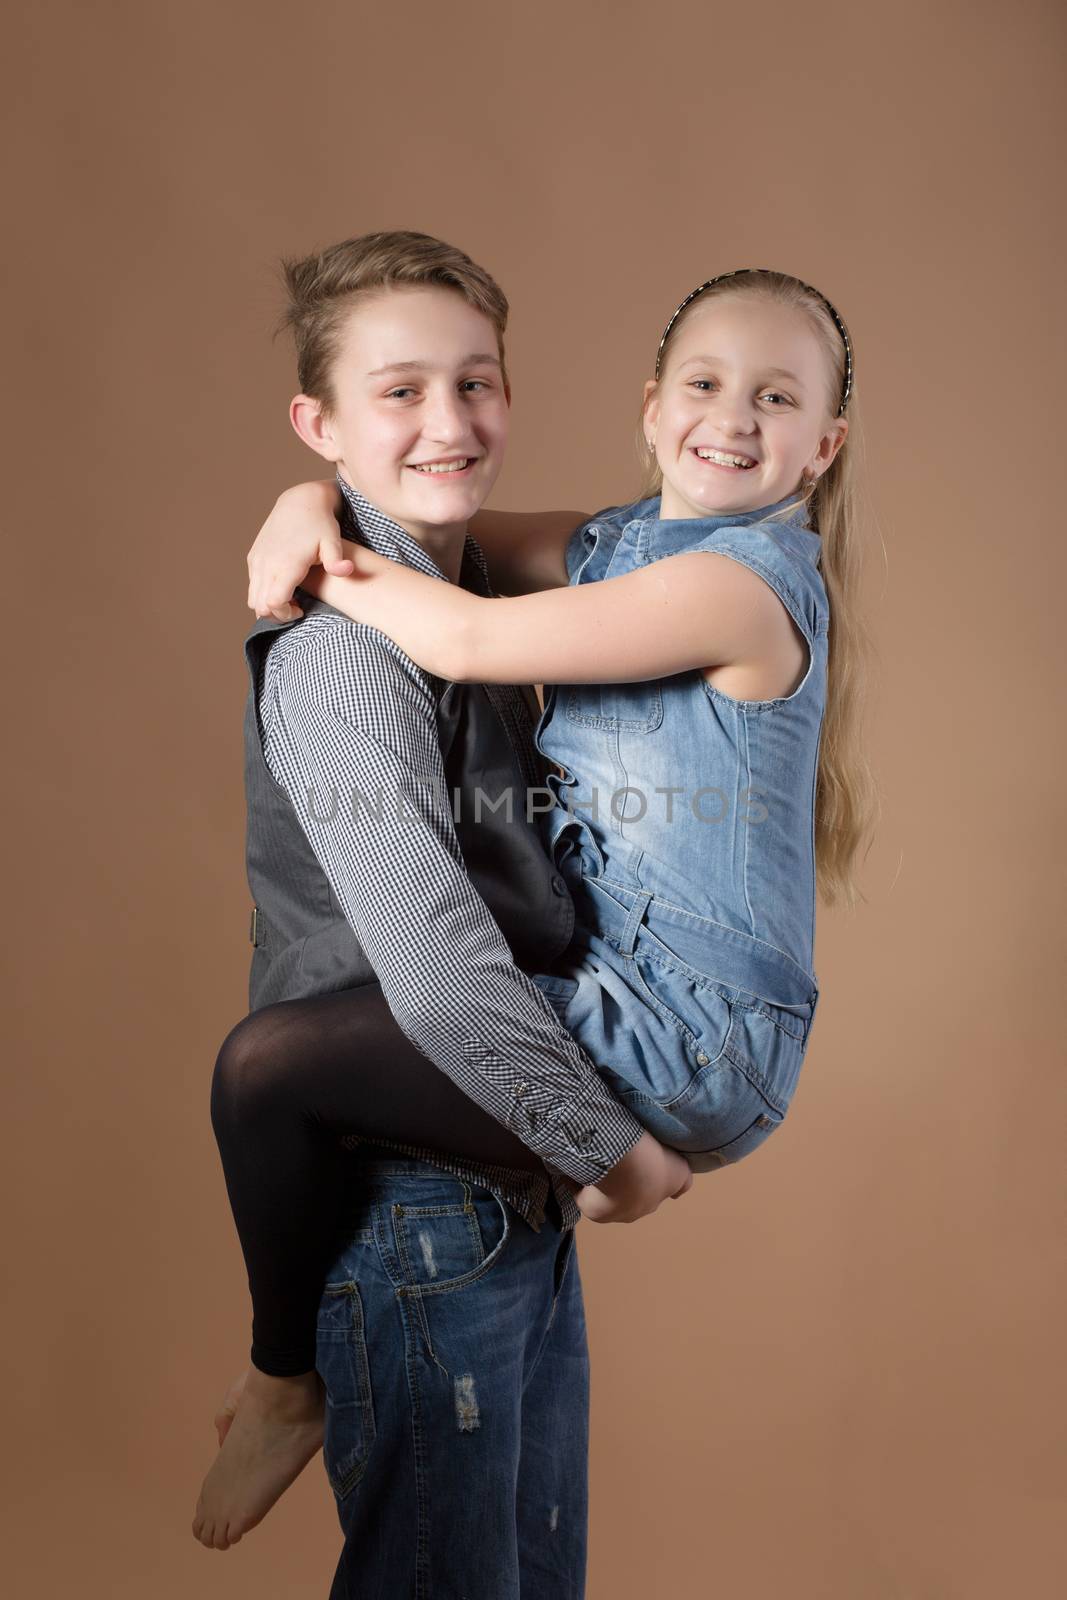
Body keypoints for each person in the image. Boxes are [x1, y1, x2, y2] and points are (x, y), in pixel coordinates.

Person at [193, 231, 689, 1594]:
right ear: (323, 419)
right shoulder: (342, 654)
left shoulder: (454, 582)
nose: (450, 422)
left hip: (496, 1168)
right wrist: (616, 1152)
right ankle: (280, 1375)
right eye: (400, 391)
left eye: (477, 383)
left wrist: (313, 494)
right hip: (413, 1200)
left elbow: (661, 553)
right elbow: (433, 974)